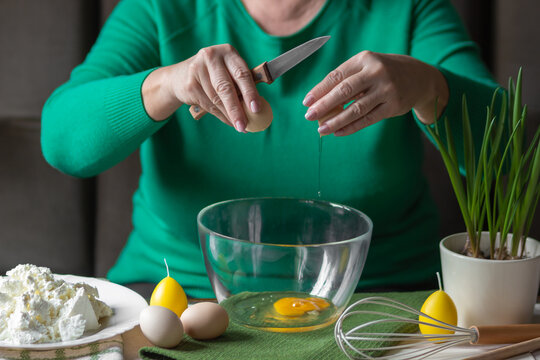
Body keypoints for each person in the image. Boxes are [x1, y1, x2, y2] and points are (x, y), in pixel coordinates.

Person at [41, 0, 500, 298]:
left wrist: (428, 86)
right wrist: (166, 83)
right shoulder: (160, 10)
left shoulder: (410, 10)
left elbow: (508, 151)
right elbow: (64, 143)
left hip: (381, 298)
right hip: (179, 295)